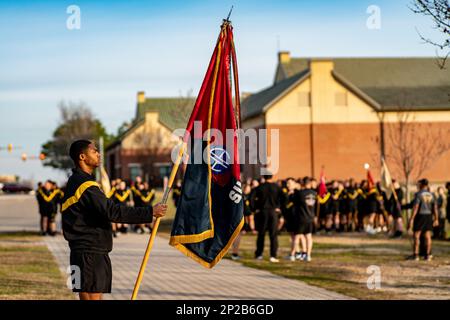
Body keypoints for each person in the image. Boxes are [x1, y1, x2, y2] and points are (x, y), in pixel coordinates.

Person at [61, 140, 167, 300]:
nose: (98, 154)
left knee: (84, 294)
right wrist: (150, 212)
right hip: (90, 252)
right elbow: (113, 211)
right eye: (94, 151)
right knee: (92, 297)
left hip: (79, 251)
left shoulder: (74, 181)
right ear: (82, 156)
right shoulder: (85, 185)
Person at [252, 173, 284, 263]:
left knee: (261, 234)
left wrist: (255, 208)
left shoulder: (260, 187)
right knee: (273, 234)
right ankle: (273, 255)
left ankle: (259, 254)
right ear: (272, 177)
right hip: (274, 212)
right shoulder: (277, 187)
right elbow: (285, 197)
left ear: (263, 177)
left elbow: (251, 198)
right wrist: (279, 207)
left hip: (262, 212)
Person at [407, 179, 439, 261]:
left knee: (416, 235)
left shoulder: (418, 194)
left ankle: (416, 255)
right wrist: (436, 219)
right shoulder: (432, 195)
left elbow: (416, 208)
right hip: (428, 216)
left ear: (421, 185)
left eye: (418, 184)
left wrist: (411, 219)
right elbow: (434, 208)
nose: (417, 186)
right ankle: (428, 255)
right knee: (428, 236)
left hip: (420, 216)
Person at [292, 177, 317, 262]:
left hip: (301, 217)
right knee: (308, 236)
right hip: (310, 217)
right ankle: (308, 255)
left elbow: (294, 204)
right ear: (310, 183)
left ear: (303, 184)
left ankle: (294, 255)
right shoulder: (314, 193)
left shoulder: (300, 193)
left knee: (296, 236)